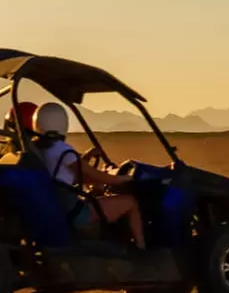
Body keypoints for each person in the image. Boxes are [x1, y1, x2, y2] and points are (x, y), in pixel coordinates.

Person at [33, 102, 146, 250]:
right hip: (72, 211)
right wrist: (126, 179)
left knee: (97, 189)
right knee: (130, 202)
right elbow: (101, 177)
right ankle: (142, 250)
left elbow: (73, 169)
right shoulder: (62, 149)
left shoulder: (41, 149)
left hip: (58, 205)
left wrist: (88, 156)